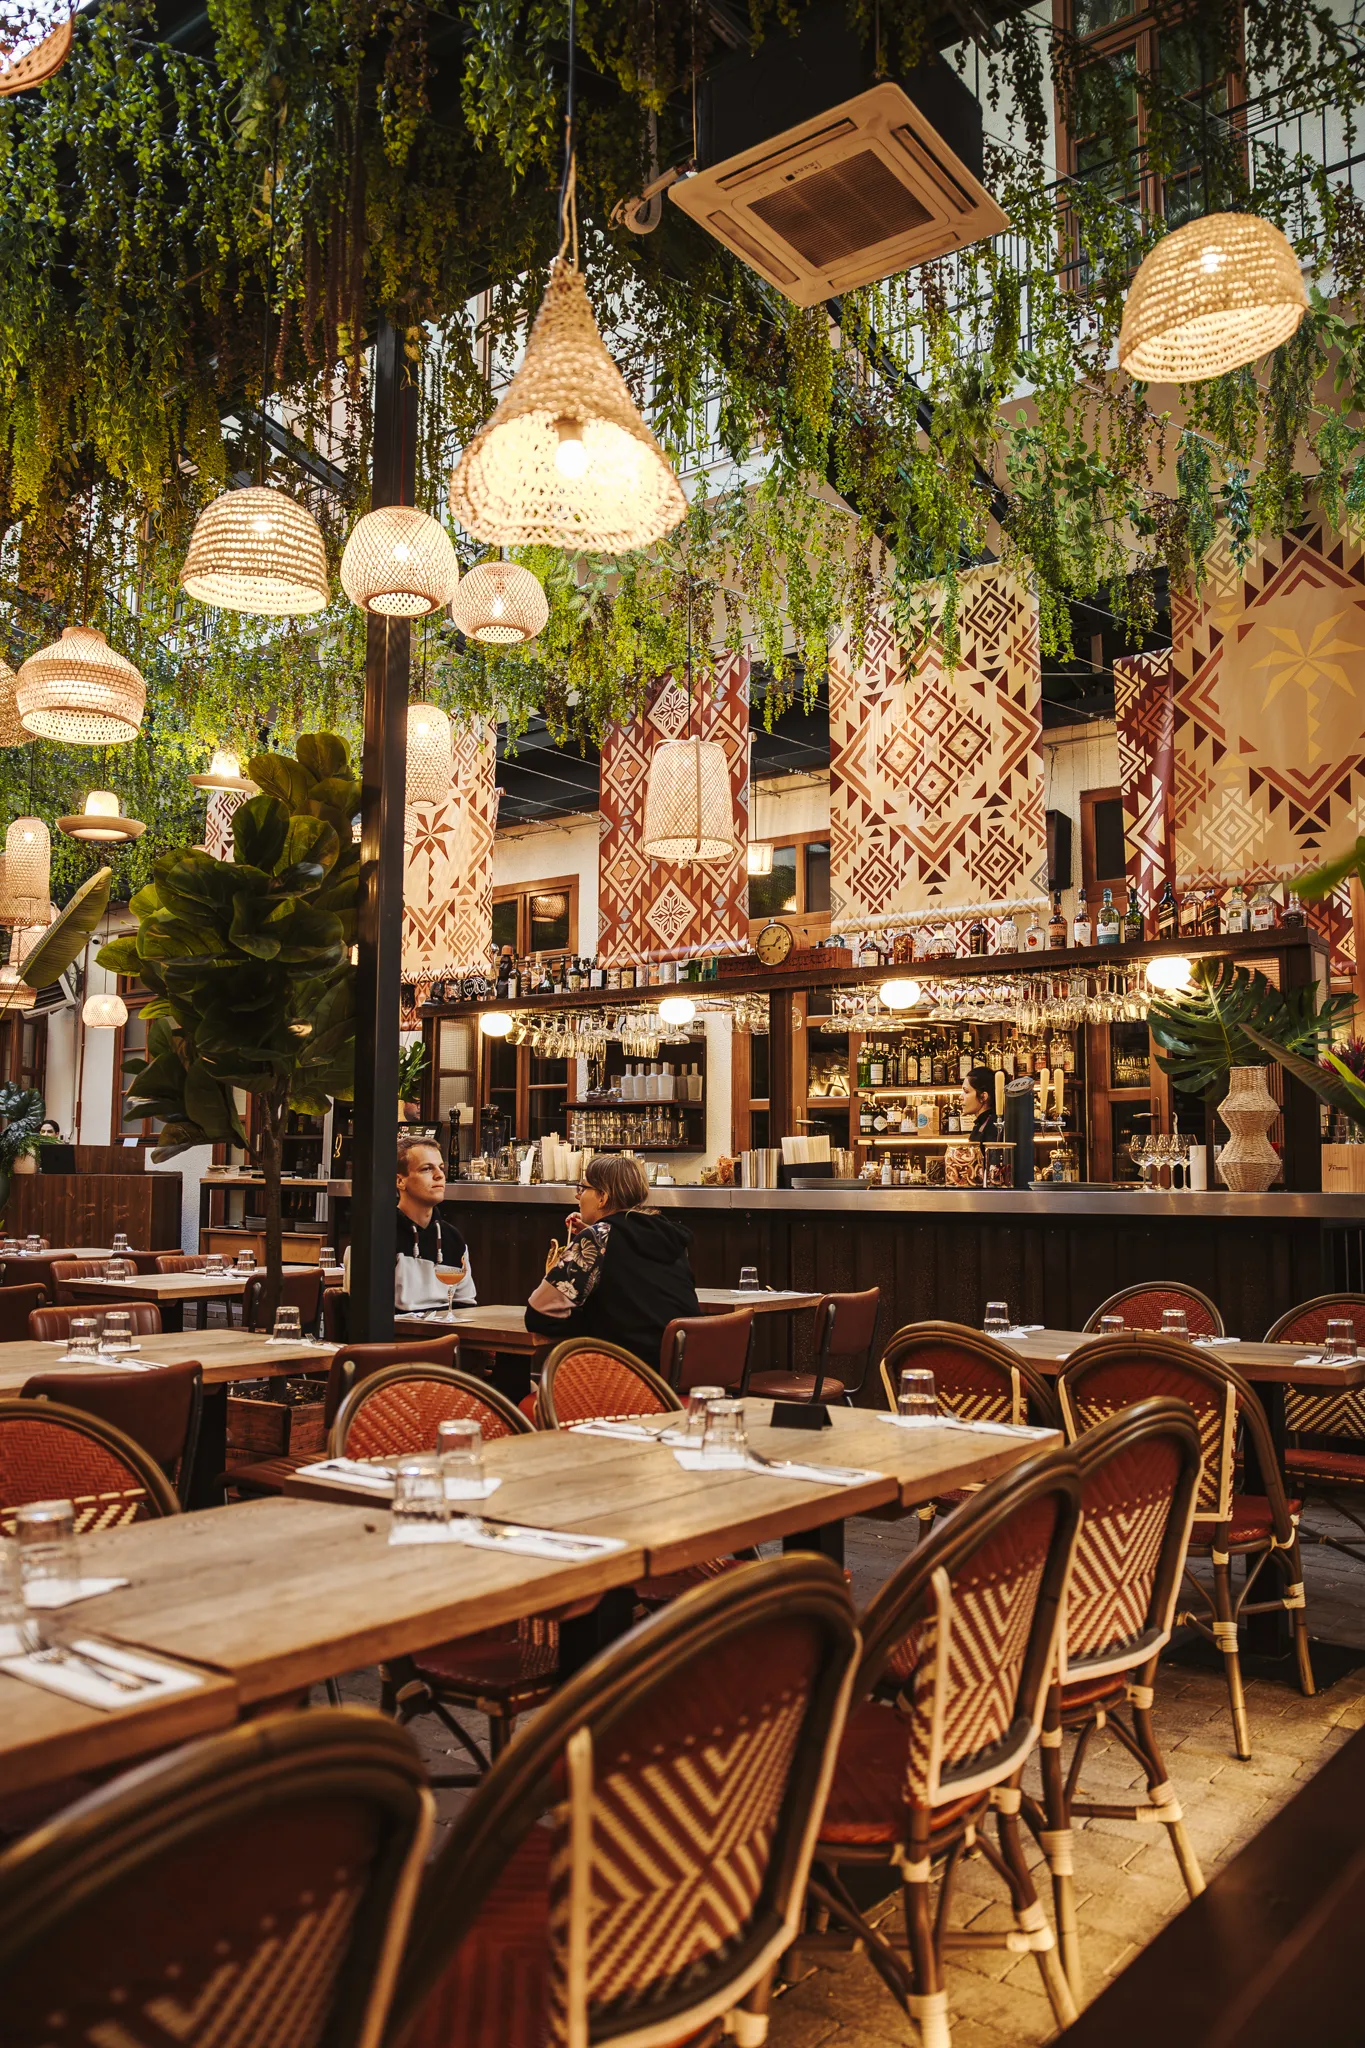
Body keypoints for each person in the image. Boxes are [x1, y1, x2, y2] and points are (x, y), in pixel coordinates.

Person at [525, 1153, 698, 1369]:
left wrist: (592, 1319)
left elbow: (538, 1314)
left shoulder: (598, 1238)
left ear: (603, 1197)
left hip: (629, 1375)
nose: (578, 1196)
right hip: (683, 1371)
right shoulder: (667, 1235)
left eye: (583, 1188)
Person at [393, 1134, 476, 1309]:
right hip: (397, 1327)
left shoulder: (452, 1237)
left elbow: (465, 1304)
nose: (439, 1176)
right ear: (400, 1181)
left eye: (441, 1168)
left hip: (446, 1326)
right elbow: (366, 1311)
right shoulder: (378, 1236)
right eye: (426, 1169)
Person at [960, 1067, 1002, 1144]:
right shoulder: (980, 1123)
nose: (960, 1097)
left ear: (983, 1096)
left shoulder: (993, 1126)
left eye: (966, 1092)